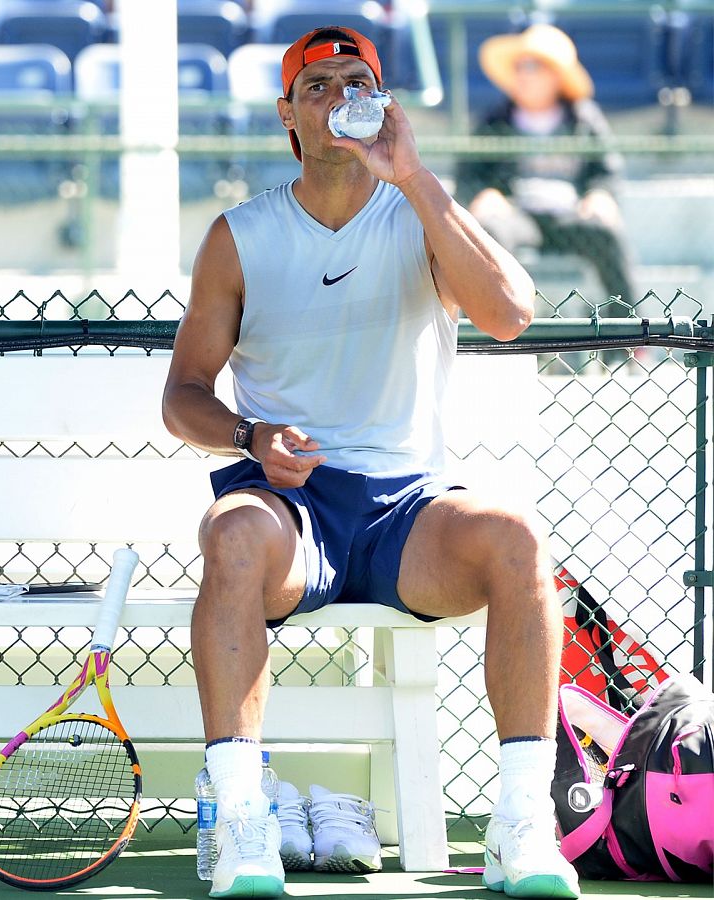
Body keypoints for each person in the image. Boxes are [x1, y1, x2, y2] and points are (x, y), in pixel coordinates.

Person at [162, 27, 580, 900]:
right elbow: (185, 396)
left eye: (358, 82)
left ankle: (520, 828)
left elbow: (509, 315)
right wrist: (249, 438)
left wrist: (415, 177)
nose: (340, 97)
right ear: (288, 114)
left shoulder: (420, 209)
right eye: (317, 86)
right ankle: (243, 825)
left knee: (516, 541)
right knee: (231, 532)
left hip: (406, 511)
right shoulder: (239, 235)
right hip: (290, 506)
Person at [457, 24, 635, 321]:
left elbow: (606, 170)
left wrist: (600, 195)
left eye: (533, 66)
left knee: (607, 233)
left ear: (556, 75)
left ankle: (629, 335)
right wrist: (484, 194)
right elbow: (470, 174)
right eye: (519, 66)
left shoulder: (584, 119)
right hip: (518, 215)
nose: (523, 73)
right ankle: (482, 328)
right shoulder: (494, 120)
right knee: (489, 232)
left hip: (569, 217)